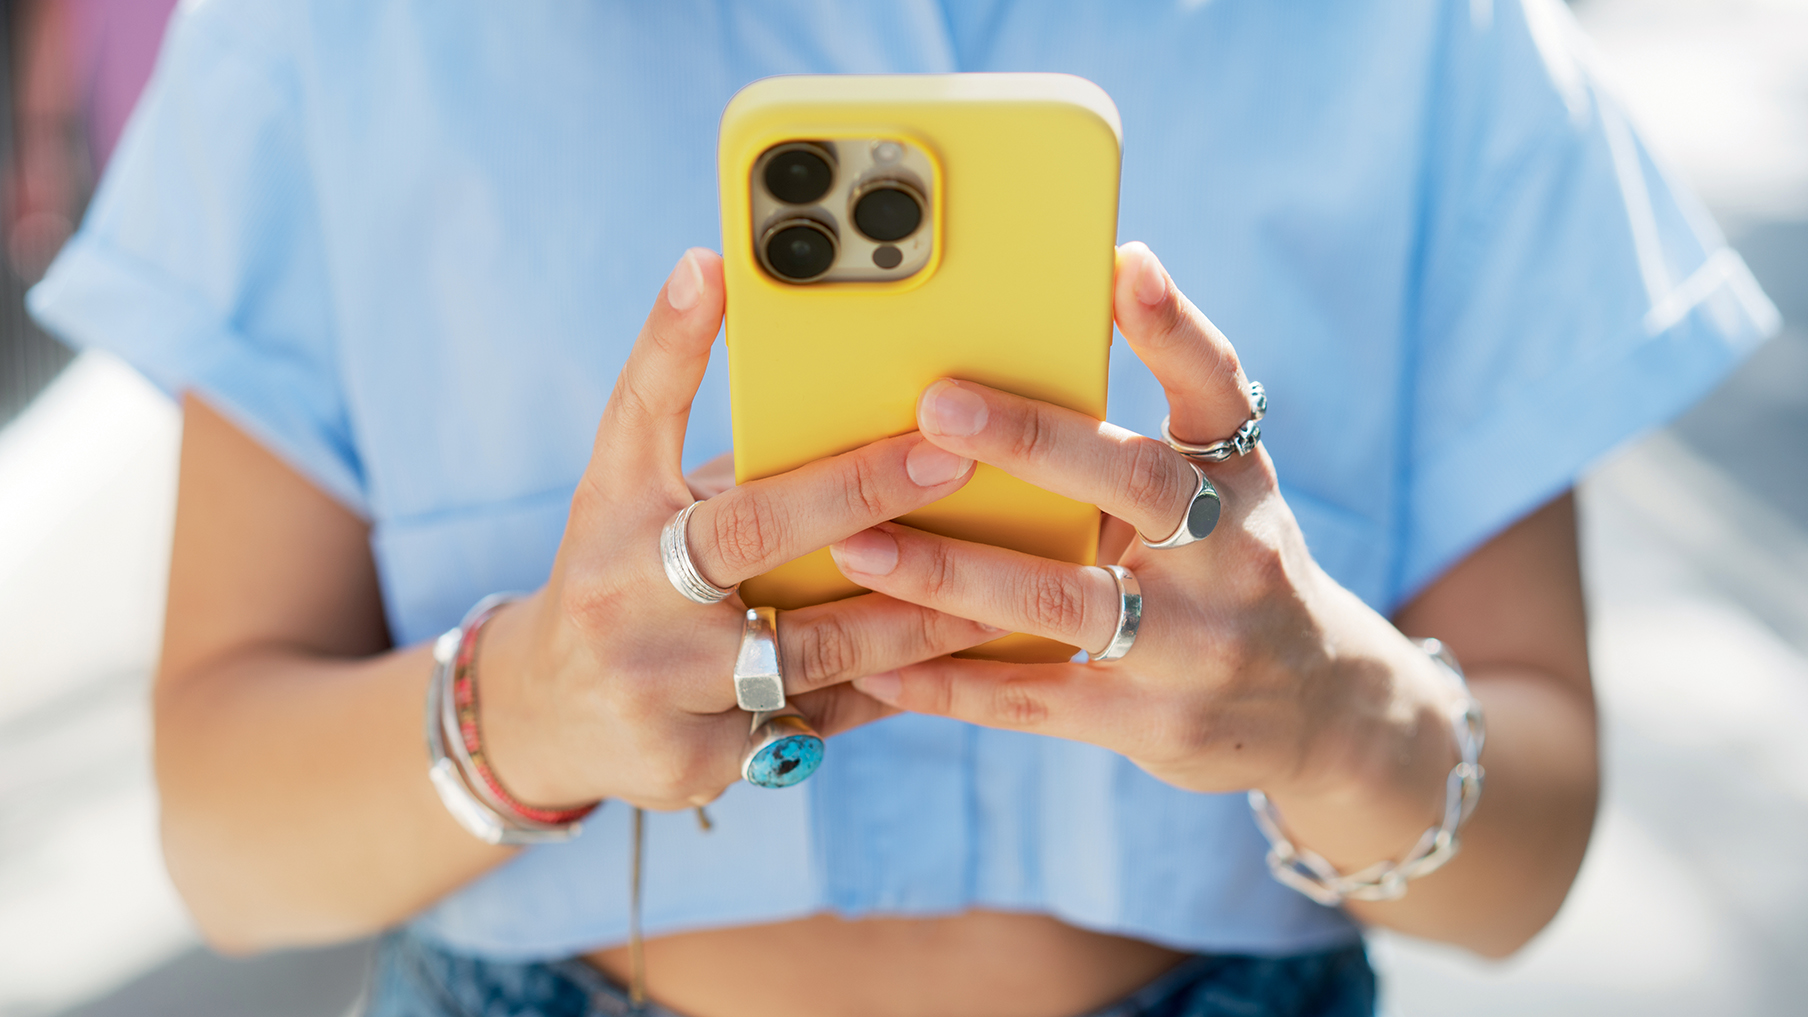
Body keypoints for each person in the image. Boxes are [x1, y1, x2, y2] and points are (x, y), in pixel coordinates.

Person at [28, 1, 1777, 1015]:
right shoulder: (344, 34)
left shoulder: (1425, 34)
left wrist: (1337, 711)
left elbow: (1521, 860)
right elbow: (222, 837)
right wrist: (529, 710)